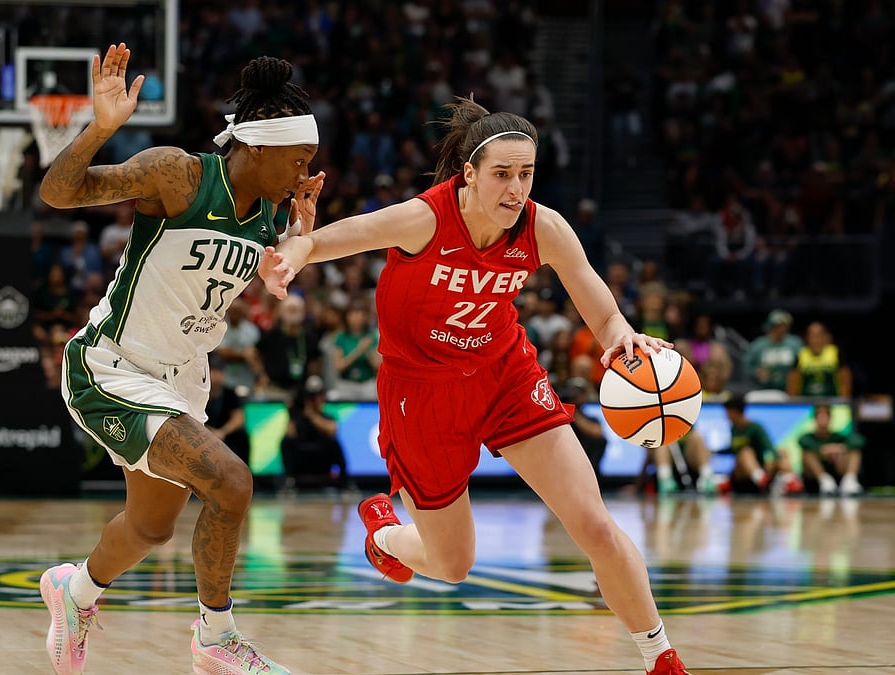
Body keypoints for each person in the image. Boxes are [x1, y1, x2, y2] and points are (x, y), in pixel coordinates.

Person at [265, 97, 691, 675]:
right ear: (468, 174)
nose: (517, 189)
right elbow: (320, 242)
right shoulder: (423, 220)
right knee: (452, 564)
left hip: (505, 375)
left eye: (526, 174)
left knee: (592, 521)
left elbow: (604, 312)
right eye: (502, 175)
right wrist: (288, 254)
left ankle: (659, 657)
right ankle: (386, 536)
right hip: (422, 394)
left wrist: (626, 337)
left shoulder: (545, 228)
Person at [36, 44, 324, 675]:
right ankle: (215, 639)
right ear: (255, 146)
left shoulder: (270, 211)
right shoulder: (179, 175)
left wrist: (299, 236)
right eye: (298, 158)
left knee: (151, 527)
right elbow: (58, 193)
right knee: (232, 483)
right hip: (113, 367)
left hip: (183, 381)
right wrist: (103, 128)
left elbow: (274, 278)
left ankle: (73, 591)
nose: (305, 170)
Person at [715, 396, 803, 496]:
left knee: (782, 452)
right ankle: (762, 480)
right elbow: (732, 449)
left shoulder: (756, 428)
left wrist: (778, 463)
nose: (726, 416)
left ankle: (789, 481)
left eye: (728, 412)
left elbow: (769, 447)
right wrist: (715, 452)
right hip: (740, 474)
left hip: (759, 466)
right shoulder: (733, 429)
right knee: (745, 452)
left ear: (735, 412)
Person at [280, 374, 351, 492]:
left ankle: (345, 483)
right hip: (303, 459)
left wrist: (312, 415)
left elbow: (332, 430)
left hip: (322, 459)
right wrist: (292, 413)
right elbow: (290, 434)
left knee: (334, 443)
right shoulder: (298, 417)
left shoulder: (326, 417)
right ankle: (289, 480)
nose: (315, 400)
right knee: (286, 442)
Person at [798, 404, 864, 496]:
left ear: (830, 418)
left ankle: (849, 481)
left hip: (837, 469)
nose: (823, 420)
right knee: (807, 453)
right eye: (820, 416)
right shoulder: (809, 437)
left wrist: (840, 449)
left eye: (825, 416)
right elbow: (802, 441)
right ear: (815, 419)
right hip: (815, 477)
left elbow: (859, 441)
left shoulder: (837, 437)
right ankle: (825, 481)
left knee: (854, 452)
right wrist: (823, 450)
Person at [742, 309, 804, 394]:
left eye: (785, 326)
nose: (782, 329)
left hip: (790, 391)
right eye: (778, 326)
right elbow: (746, 366)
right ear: (770, 326)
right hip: (764, 391)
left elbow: (805, 362)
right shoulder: (759, 345)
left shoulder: (795, 344)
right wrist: (756, 372)